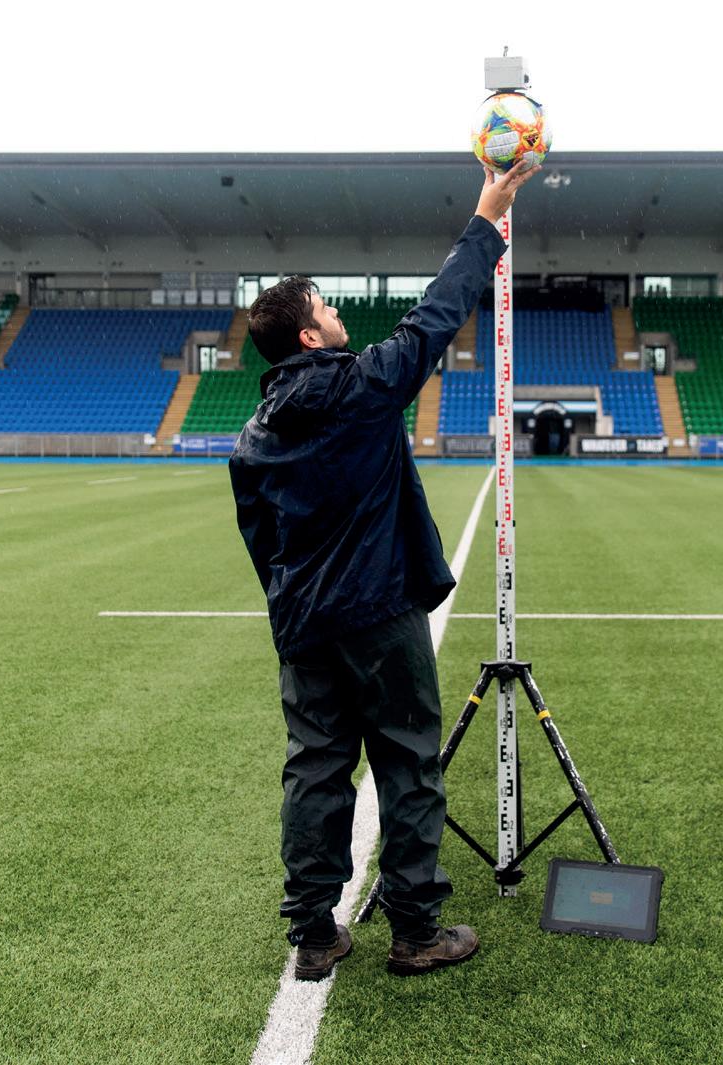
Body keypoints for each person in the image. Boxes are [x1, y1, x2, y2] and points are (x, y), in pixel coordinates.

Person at [229, 163, 539, 981]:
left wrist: (291, 605)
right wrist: (487, 215)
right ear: (308, 337)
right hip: (377, 612)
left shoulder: (253, 435)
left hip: (303, 623)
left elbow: (260, 541)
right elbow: (435, 315)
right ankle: (414, 929)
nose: (338, 315)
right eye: (326, 309)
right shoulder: (361, 387)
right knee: (406, 761)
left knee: (314, 766)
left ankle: (313, 933)